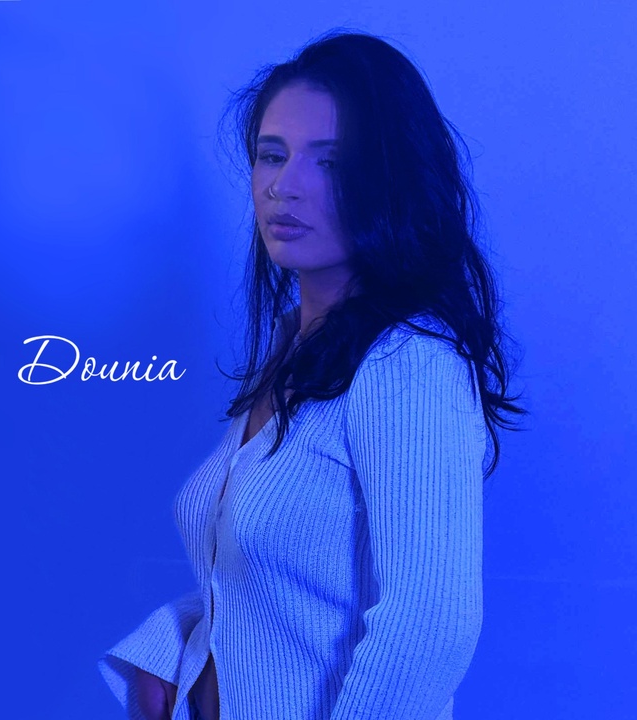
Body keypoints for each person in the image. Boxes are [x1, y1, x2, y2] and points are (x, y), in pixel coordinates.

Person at [98, 28, 527, 720]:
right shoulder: (295, 347)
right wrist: (168, 646)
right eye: (273, 155)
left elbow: (428, 625)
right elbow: (284, 581)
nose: (284, 186)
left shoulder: (407, 364)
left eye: (330, 163)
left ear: (391, 184)